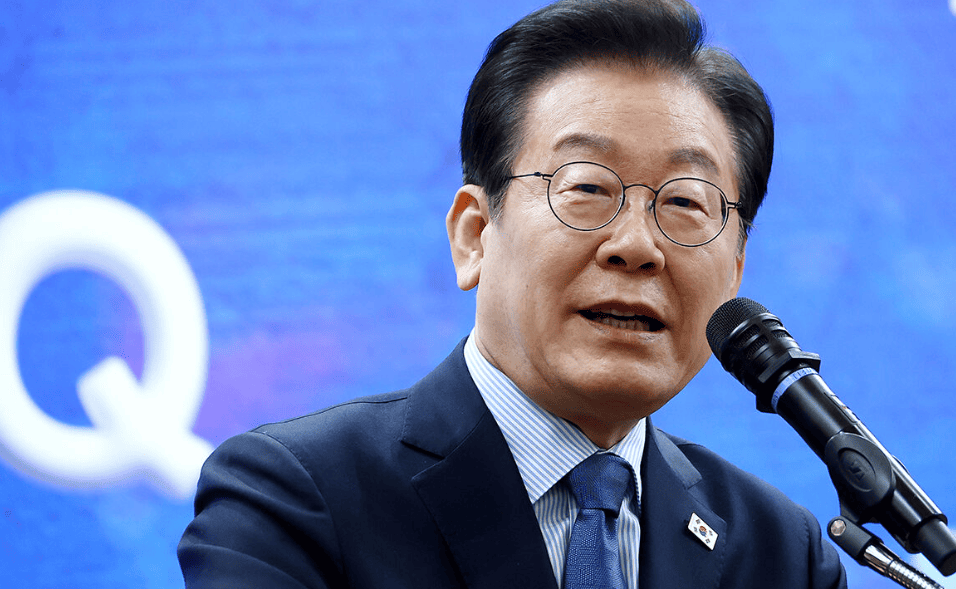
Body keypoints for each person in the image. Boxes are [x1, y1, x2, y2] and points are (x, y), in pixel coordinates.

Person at [178, 1, 847, 587]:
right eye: (587, 187)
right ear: (474, 235)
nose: (637, 245)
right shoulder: (297, 497)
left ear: (734, 273)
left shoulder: (781, 555)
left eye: (685, 203)